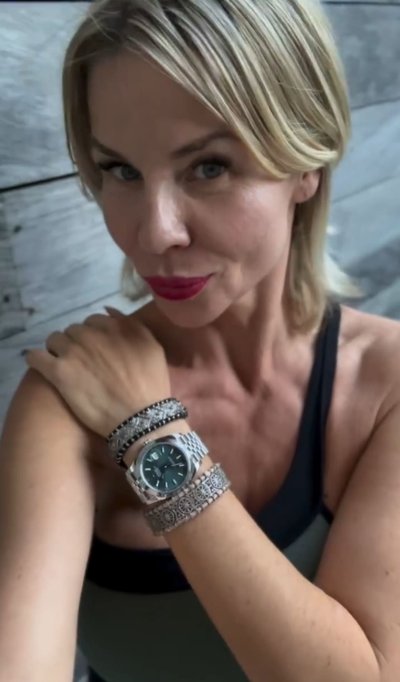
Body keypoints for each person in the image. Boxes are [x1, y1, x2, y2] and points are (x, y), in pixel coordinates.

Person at [1, 0, 399, 680]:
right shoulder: (70, 395)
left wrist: (150, 433)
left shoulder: (383, 385)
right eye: (121, 170)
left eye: (209, 166)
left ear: (306, 165)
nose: (156, 233)